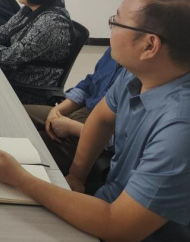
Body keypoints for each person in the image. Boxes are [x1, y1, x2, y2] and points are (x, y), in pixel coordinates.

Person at [0, 0, 190, 242]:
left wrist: (19, 178)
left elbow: (118, 228)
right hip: (106, 202)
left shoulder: (179, 130)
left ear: (149, 46)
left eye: (116, 22)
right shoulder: (137, 75)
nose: (110, 28)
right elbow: (101, 119)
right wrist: (77, 175)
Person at [25, 47, 123, 175]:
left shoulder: (139, 80)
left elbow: (119, 140)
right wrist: (57, 110)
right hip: (82, 111)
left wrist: (71, 127)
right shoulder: (114, 51)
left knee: (27, 144)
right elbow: (88, 85)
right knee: (18, 115)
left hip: (93, 139)